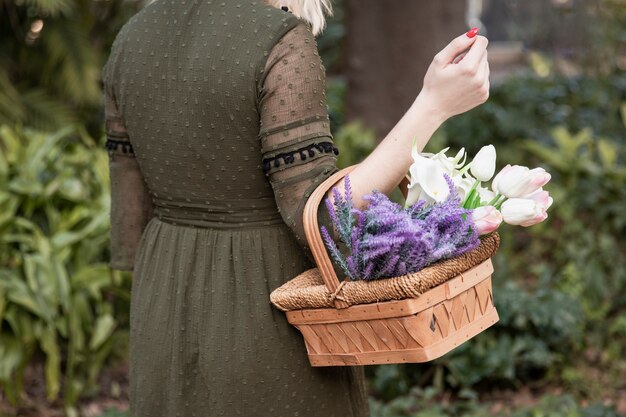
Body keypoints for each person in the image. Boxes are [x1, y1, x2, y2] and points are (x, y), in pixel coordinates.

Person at [102, 1, 489, 416]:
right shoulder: (278, 39)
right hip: (262, 301)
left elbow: (131, 211)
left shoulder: (132, 38)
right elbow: (322, 217)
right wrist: (433, 105)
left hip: (164, 295)